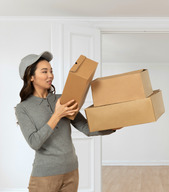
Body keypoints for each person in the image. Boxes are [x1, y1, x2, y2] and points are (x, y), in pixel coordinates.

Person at [15, 51, 114, 192]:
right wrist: (57, 115)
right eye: (44, 72)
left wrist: (112, 127)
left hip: (71, 171)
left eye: (51, 71)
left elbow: (86, 127)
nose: (50, 76)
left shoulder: (63, 99)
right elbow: (34, 142)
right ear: (31, 77)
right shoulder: (23, 108)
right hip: (44, 176)